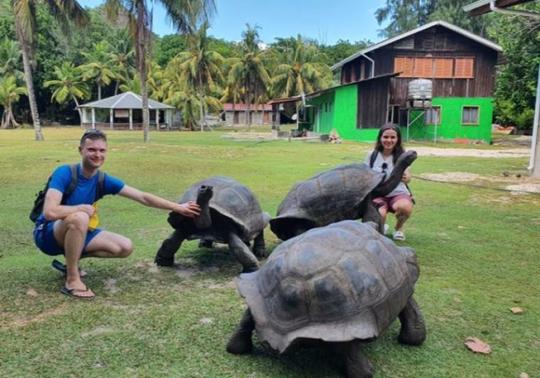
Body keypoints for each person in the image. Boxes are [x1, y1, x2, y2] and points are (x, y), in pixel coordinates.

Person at [33, 129, 201, 299]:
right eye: (91, 150)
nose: (97, 154)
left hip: (76, 230)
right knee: (80, 217)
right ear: (81, 150)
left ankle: (71, 260)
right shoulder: (65, 172)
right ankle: (72, 279)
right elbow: (50, 211)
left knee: (124, 247)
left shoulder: (102, 180)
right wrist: (80, 208)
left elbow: (142, 197)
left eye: (102, 150)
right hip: (47, 234)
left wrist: (178, 207)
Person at [365, 123, 413, 241]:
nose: (389, 140)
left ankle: (398, 228)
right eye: (386, 137)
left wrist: (407, 177)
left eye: (393, 137)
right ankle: (383, 225)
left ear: (398, 139)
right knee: (379, 215)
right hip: (378, 194)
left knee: (405, 208)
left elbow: (408, 177)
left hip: (397, 193)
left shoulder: (402, 156)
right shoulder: (372, 155)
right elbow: (364, 174)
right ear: (380, 138)